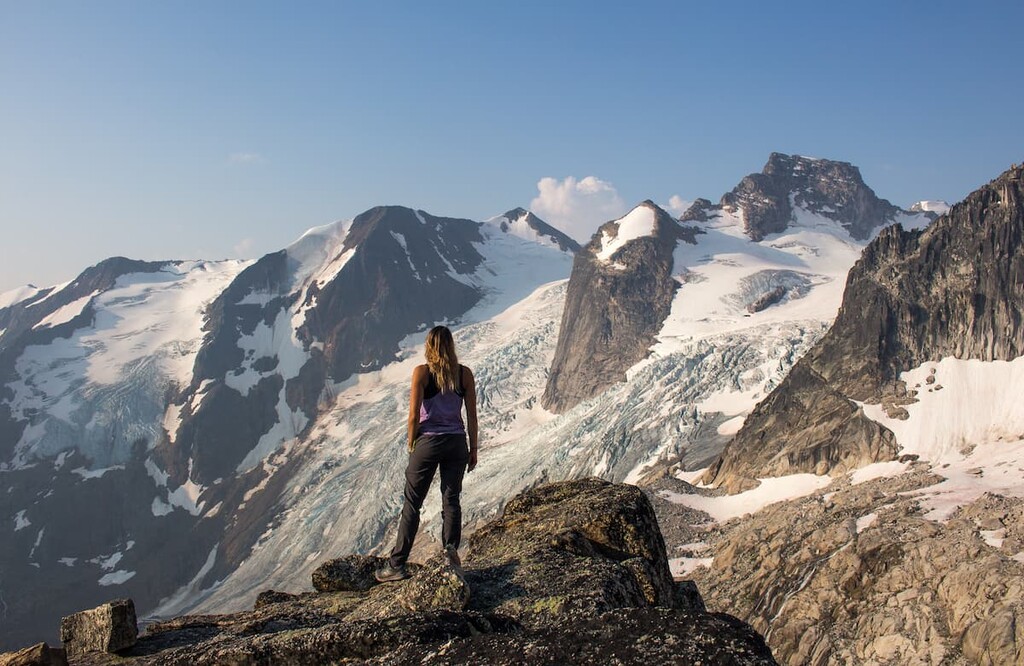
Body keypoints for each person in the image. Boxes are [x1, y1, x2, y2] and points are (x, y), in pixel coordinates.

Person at [375, 325, 478, 582]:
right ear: (451, 345)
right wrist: (473, 448)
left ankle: (397, 564)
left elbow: (413, 417)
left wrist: (412, 444)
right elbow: (472, 415)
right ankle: (451, 559)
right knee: (451, 500)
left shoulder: (422, 373)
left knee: (412, 503)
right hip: (456, 442)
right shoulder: (464, 374)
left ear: (429, 346)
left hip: (429, 442)